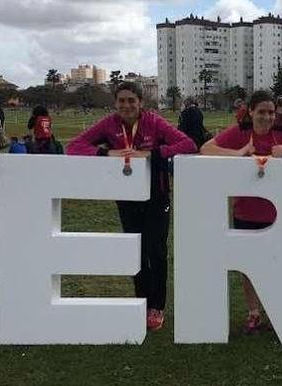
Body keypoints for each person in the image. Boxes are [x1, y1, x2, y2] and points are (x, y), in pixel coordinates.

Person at [66, 81, 197, 331]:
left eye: (131, 100)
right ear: (115, 103)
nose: (126, 105)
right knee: (135, 251)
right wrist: (106, 154)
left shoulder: (154, 122)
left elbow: (188, 144)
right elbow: (74, 146)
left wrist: (153, 154)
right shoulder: (110, 124)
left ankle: (157, 307)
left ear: (141, 103)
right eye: (121, 101)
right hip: (126, 198)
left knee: (155, 251)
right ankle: (142, 303)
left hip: (157, 197)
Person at [200, 90, 282, 335]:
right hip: (245, 211)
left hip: (278, 214)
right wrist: (239, 153)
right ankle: (253, 312)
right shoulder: (241, 132)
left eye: (271, 112)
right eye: (261, 111)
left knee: (276, 264)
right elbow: (206, 149)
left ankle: (277, 311)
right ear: (251, 111)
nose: (266, 117)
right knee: (248, 266)